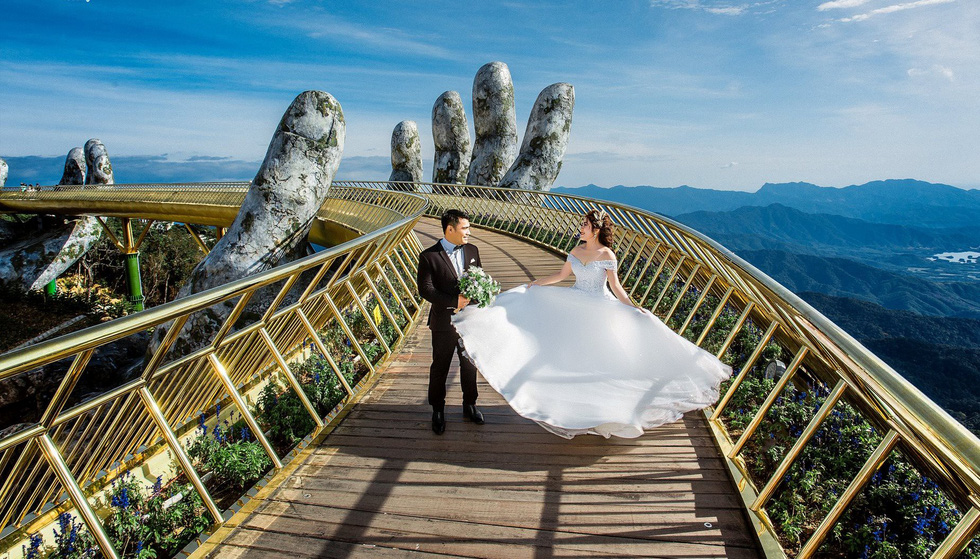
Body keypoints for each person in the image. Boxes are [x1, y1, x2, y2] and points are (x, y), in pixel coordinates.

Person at [452, 209, 733, 439]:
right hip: (574, 305)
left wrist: (635, 308)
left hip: (600, 309)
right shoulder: (575, 250)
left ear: (595, 229)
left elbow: (617, 288)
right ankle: (577, 409)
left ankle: (606, 412)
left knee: (602, 361)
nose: (581, 228)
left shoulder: (607, 256)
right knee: (571, 359)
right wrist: (536, 283)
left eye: (584, 225)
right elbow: (562, 276)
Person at [416, 209, 484, 435]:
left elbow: (479, 278)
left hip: (469, 322)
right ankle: (437, 410)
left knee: (469, 365)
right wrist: (454, 300)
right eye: (465, 228)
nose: (469, 232)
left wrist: (479, 297)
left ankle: (470, 405)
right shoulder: (429, 256)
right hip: (443, 323)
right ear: (450, 229)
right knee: (440, 367)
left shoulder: (473, 250)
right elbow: (425, 290)